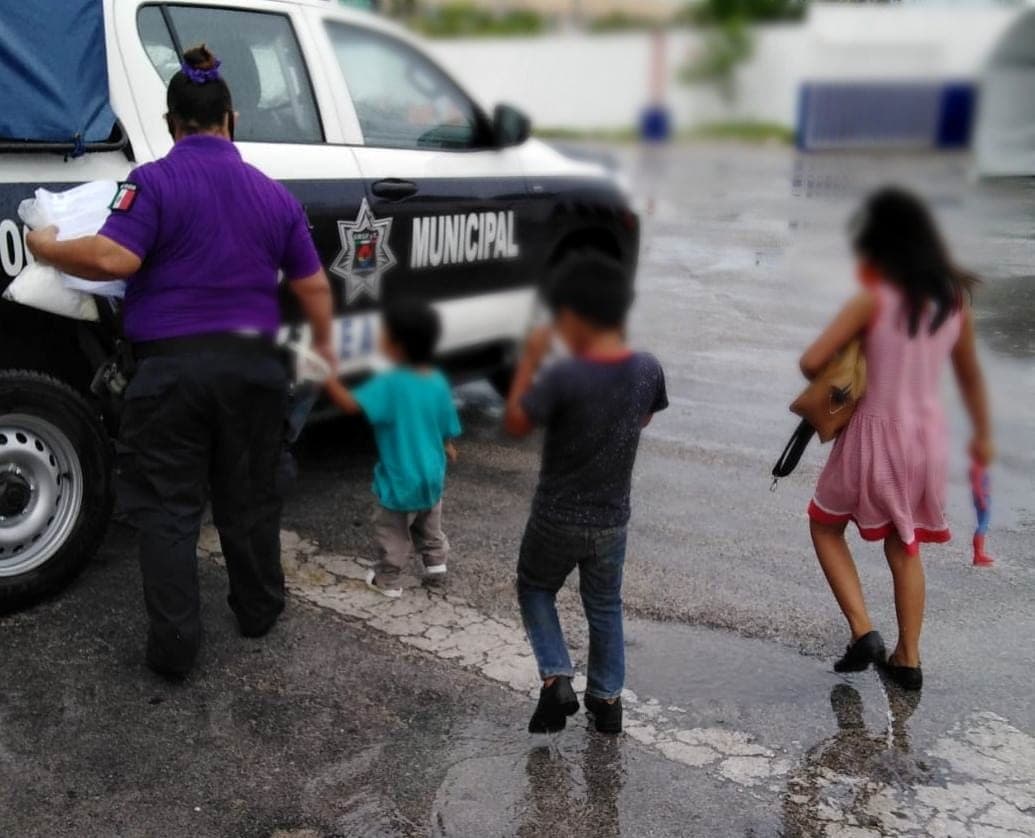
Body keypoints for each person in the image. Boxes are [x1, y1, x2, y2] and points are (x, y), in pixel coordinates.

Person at [26, 45, 335, 679]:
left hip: (171, 374)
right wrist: (323, 354)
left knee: (168, 510)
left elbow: (113, 259)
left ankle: (174, 649)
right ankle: (258, 611)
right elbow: (313, 288)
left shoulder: (154, 182)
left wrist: (47, 245)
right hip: (254, 372)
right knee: (250, 497)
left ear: (172, 125)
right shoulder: (274, 195)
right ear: (231, 119)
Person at [800, 187, 993, 691]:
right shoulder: (953, 302)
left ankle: (864, 631)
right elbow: (970, 376)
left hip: (873, 432)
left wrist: (856, 352)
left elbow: (812, 362)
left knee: (824, 525)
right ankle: (908, 658)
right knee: (905, 544)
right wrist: (983, 436)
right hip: (926, 439)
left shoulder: (874, 299)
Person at [504, 255, 668, 735]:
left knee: (535, 587)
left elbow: (516, 422)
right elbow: (643, 418)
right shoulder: (647, 368)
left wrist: (530, 359)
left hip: (555, 516)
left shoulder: (563, 374)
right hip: (611, 519)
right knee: (604, 604)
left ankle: (557, 675)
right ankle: (607, 700)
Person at [323, 299, 461, 598]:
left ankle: (387, 578)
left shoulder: (390, 384)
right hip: (432, 475)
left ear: (397, 346)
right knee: (429, 522)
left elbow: (350, 404)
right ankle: (436, 564)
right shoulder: (437, 380)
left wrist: (328, 376)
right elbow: (446, 422)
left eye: (383, 334)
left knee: (393, 531)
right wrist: (447, 444)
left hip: (401, 478)